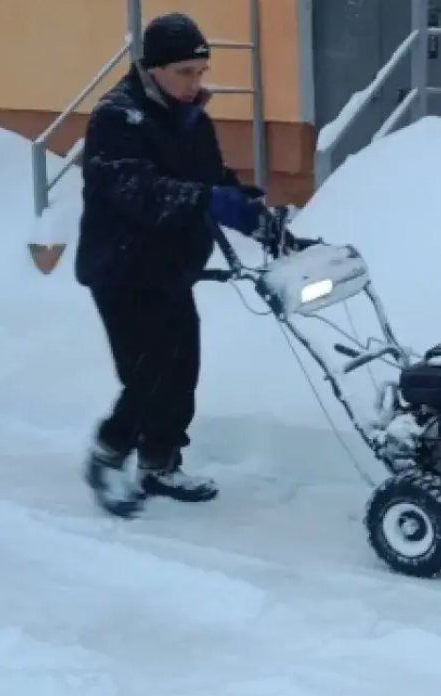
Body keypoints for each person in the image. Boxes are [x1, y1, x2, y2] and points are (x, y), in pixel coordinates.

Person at [75, 12, 279, 518]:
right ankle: (107, 455)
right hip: (121, 268)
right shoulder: (117, 119)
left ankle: (159, 463)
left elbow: (211, 177)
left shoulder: (191, 120)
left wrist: (251, 212)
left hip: (169, 268)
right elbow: (137, 190)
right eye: (185, 72)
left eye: (200, 72)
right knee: (149, 373)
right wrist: (208, 199)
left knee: (182, 367)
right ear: (154, 69)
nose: (195, 83)